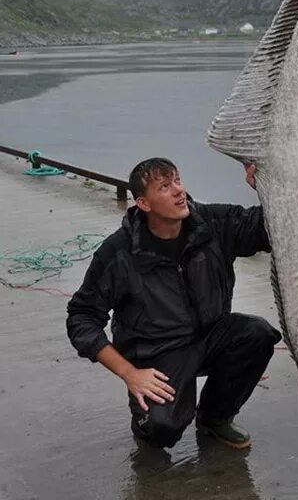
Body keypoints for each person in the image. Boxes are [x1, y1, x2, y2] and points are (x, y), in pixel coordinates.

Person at [66, 157, 281, 450]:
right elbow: (82, 317)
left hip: (209, 336)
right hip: (158, 352)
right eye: (165, 187)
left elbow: (269, 227)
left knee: (257, 334)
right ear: (144, 203)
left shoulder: (212, 224)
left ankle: (215, 420)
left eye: (178, 180)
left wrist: (269, 186)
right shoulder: (119, 252)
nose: (179, 190)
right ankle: (147, 423)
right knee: (162, 430)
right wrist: (130, 374)